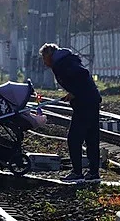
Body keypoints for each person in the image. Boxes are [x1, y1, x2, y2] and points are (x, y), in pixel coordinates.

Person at [39, 43, 101, 182]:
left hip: (85, 104)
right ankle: (93, 174)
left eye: (44, 58)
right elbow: (79, 79)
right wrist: (72, 93)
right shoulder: (67, 60)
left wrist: (75, 92)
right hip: (91, 101)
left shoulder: (63, 63)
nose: (44, 62)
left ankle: (77, 173)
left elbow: (82, 75)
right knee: (91, 138)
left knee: (74, 139)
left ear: (49, 55)